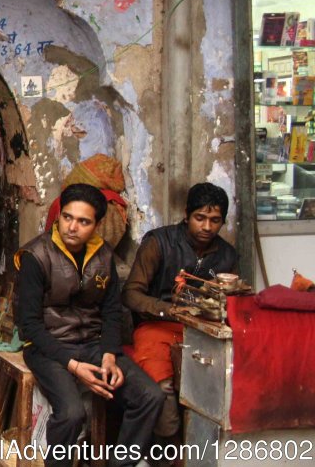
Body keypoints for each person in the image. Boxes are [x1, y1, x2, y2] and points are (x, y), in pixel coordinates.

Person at [16, 183, 164, 467]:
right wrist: (73, 365)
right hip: (48, 347)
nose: (72, 227)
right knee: (72, 413)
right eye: (67, 217)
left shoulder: (104, 255)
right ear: (58, 216)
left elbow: (111, 310)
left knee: (150, 397)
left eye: (83, 221)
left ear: (96, 224)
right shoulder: (36, 256)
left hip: (94, 345)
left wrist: (109, 353)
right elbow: (29, 326)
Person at [122, 182, 237, 444]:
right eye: (200, 218)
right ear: (187, 215)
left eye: (215, 220)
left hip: (202, 330)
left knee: (218, 387)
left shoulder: (227, 255)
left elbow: (230, 302)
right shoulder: (159, 242)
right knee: (163, 392)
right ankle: (166, 448)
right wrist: (169, 310)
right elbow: (131, 294)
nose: (207, 227)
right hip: (156, 327)